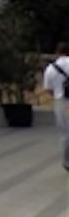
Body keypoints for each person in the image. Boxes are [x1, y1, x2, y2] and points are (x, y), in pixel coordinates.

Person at [43, 42, 69, 171]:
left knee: (65, 132)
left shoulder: (51, 68)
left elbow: (48, 89)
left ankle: (66, 161)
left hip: (61, 102)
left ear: (57, 53)